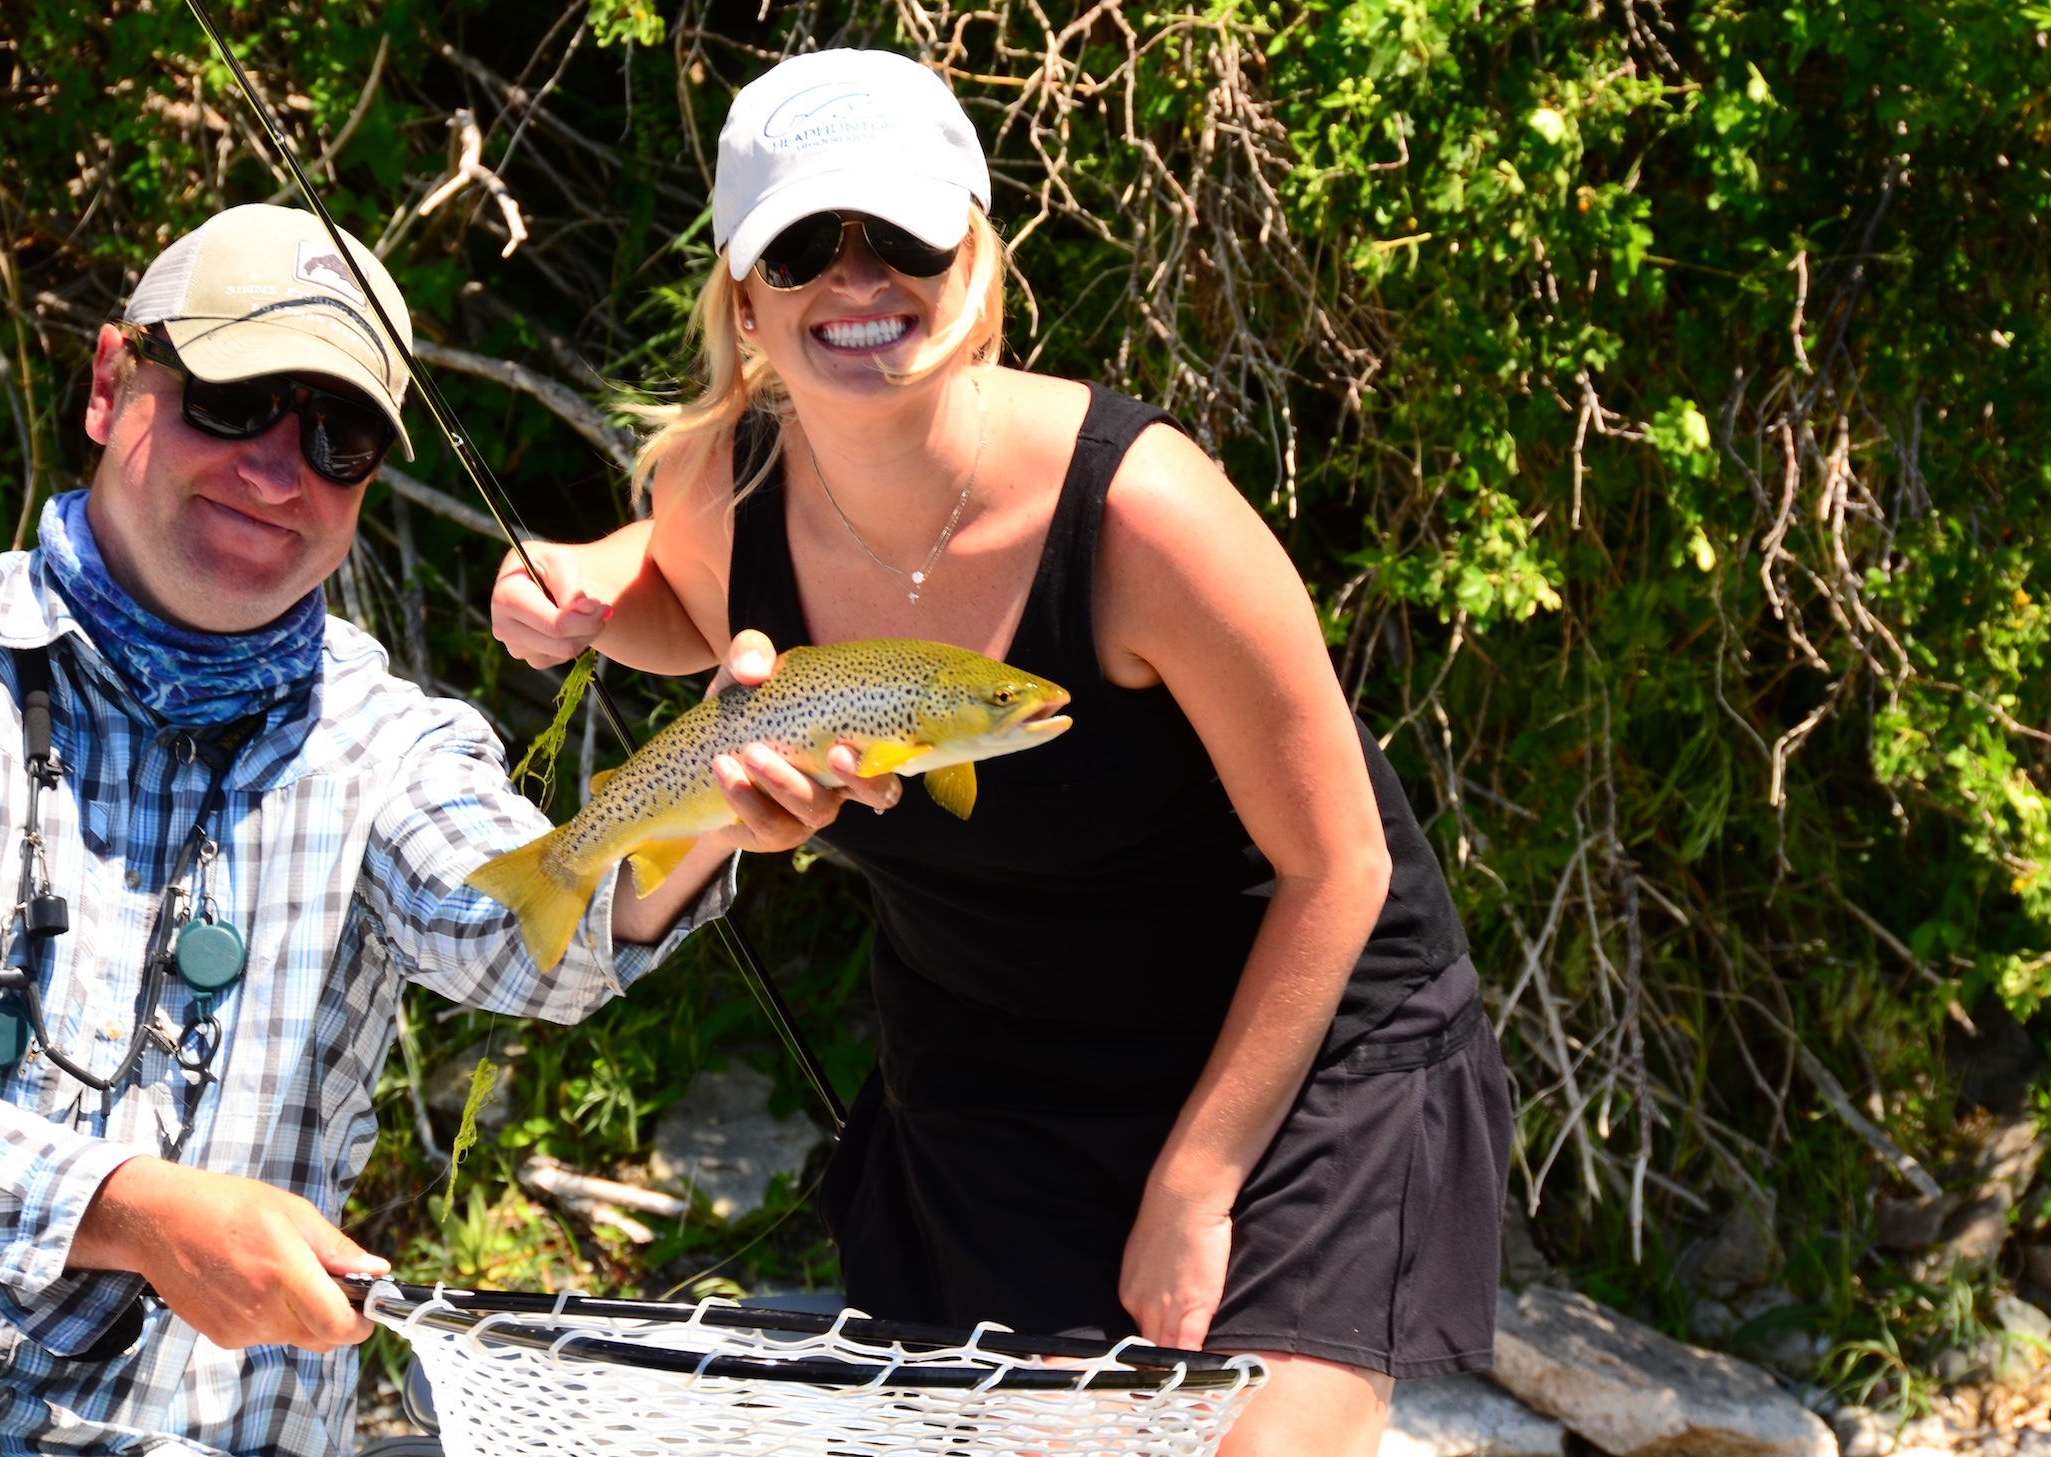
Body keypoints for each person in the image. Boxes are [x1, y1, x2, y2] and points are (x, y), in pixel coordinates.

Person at [490, 47, 1512, 1457]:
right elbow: (679, 597)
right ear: (745, 293)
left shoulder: (1151, 517)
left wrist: (1194, 1184)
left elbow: (1340, 866)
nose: (858, 280)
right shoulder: (715, 490)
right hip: (996, 1055)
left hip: (1303, 1035)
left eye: (902, 235)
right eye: (801, 246)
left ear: (976, 252)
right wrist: (589, 585)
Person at [0, 203, 734, 1456]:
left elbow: (523, 932)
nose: (279, 470)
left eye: (337, 437)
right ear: (113, 380)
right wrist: (131, 1208)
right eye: (234, 401)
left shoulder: (387, 737)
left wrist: (717, 790)